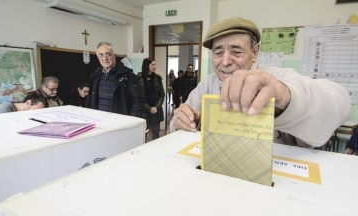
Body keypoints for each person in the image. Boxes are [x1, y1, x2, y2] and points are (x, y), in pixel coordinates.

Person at [170, 16, 351, 148]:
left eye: (236, 51)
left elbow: (341, 103)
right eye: (218, 53)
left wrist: (288, 99)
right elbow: (176, 128)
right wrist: (180, 121)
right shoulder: (206, 86)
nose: (225, 61)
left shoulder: (278, 80)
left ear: (255, 52)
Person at [87, 42, 144, 117]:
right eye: (101, 55)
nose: (104, 58)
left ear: (114, 56)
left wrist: (131, 121)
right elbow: (91, 100)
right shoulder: (95, 76)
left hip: (119, 122)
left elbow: (138, 101)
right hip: (99, 120)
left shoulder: (128, 76)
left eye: (108, 54)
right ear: (98, 58)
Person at [137, 58, 165, 140]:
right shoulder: (138, 79)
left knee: (156, 135)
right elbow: (137, 97)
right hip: (144, 111)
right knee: (142, 135)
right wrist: (148, 108)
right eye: (153, 64)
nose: (155, 66)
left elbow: (162, 94)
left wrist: (156, 107)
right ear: (147, 65)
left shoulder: (158, 78)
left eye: (155, 64)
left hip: (156, 111)